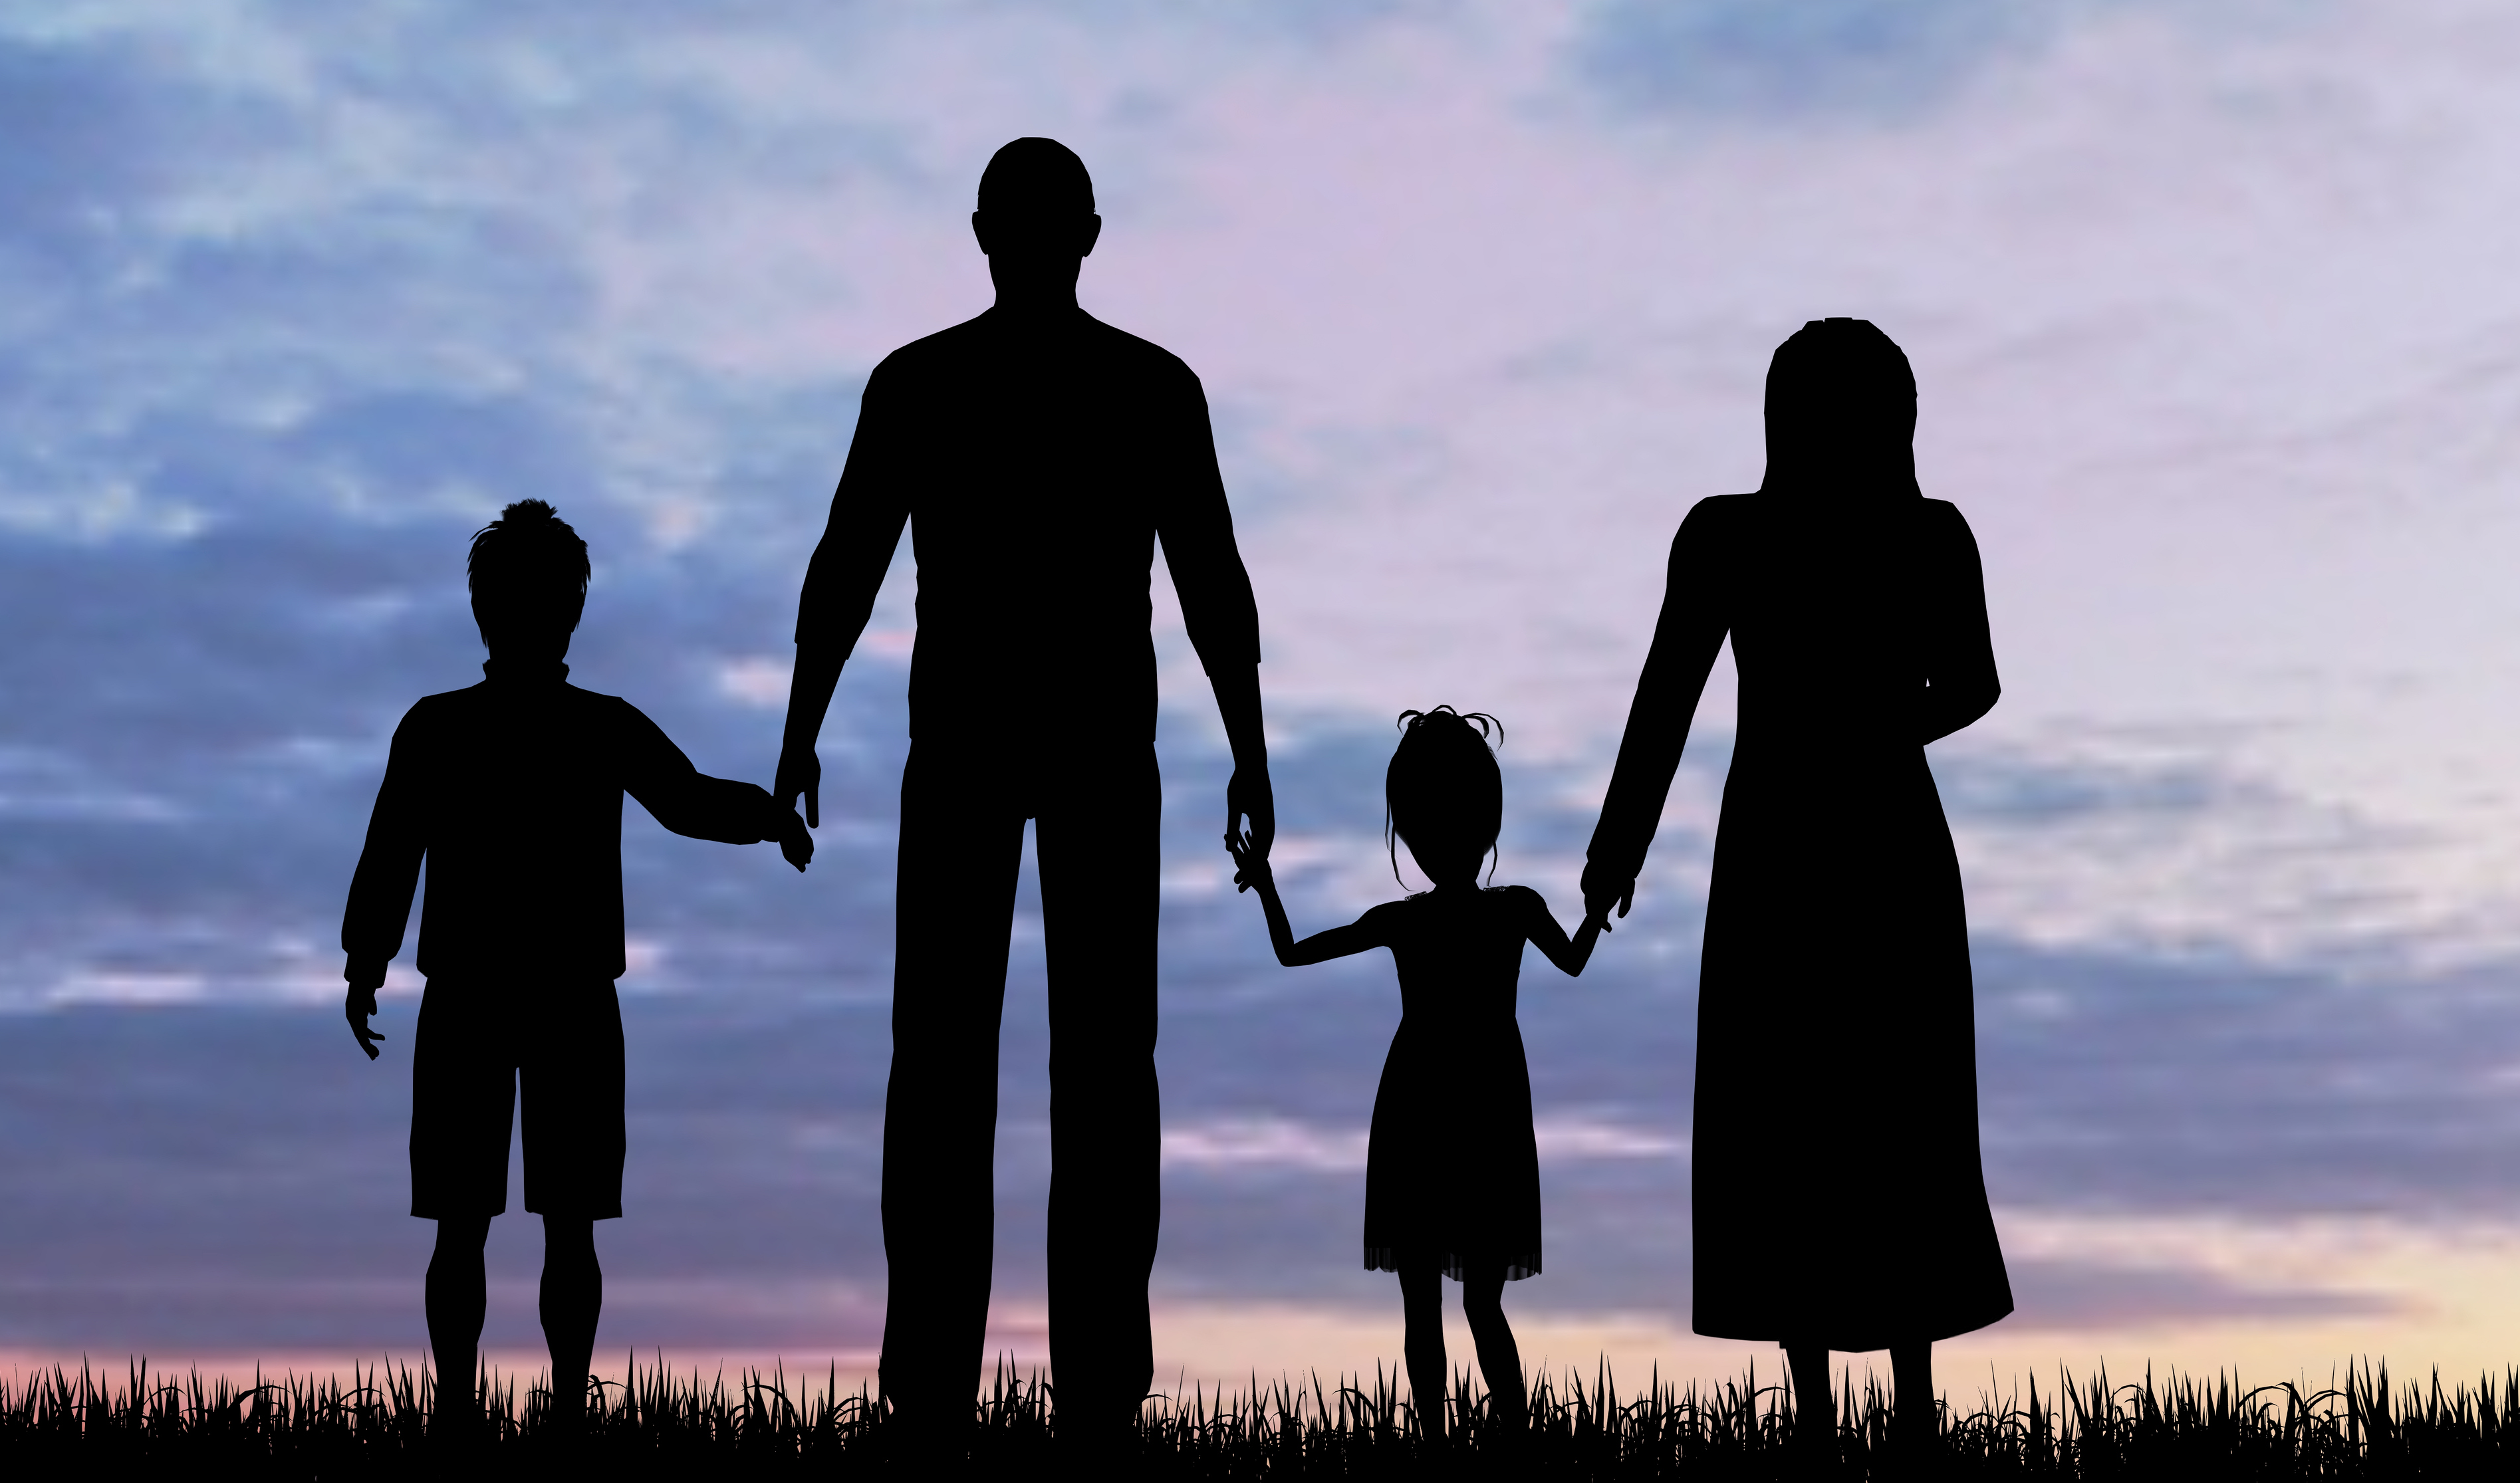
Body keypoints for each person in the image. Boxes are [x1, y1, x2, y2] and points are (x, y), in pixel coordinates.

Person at [771, 137, 1273, 1447]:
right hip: (1049, 742)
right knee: (1068, 1063)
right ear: (1081, 233)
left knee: (980, 1061)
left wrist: (799, 729)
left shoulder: (939, 383)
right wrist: (1250, 748)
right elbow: (1211, 581)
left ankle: (981, 1381)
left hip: (1024, 743)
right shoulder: (1135, 386)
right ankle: (1056, 1383)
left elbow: (843, 568)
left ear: (986, 232)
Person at [1579, 318, 2012, 1468]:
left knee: (1886, 1109)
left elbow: (1971, 681)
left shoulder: (1915, 535)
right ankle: (1843, 1404)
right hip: (1804, 844)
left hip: (1849, 844)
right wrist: (1615, 847)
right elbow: (1666, 692)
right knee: (1800, 1111)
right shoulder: (1738, 536)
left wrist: (1868, 720)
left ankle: (1886, 1401)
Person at [341, 499, 812, 1436]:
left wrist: (366, 961)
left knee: (504, 1218)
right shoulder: (559, 725)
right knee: (524, 1218)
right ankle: (511, 1409)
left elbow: (681, 801)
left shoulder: (458, 726)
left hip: (515, 993)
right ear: (564, 611)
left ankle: (481, 1410)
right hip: (529, 994)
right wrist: (365, 957)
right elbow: (683, 801)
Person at [1229, 707, 1598, 1442]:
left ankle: (1486, 1442)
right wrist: (1597, 906)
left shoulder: (1441, 917)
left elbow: (1291, 951)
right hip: (1454, 1109)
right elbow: (1576, 955)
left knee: (1448, 1304)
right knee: (1454, 1304)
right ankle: (1476, 1443)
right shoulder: (1500, 911)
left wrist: (1267, 883)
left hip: (1448, 1109)